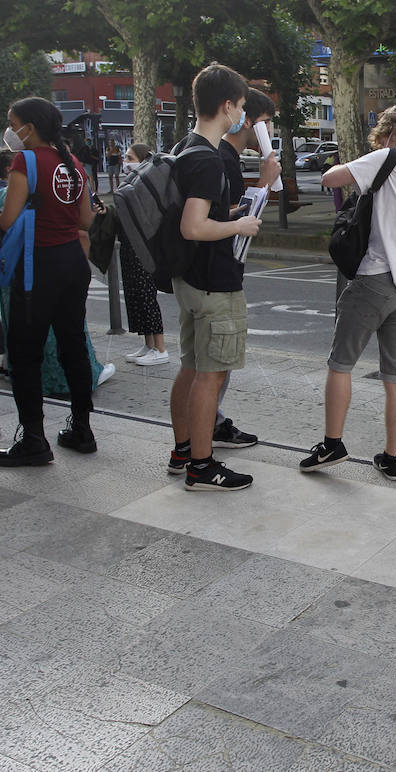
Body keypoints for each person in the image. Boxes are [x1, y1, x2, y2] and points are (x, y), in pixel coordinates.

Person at [300, 104, 396, 480]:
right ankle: (391, 456)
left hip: (374, 278)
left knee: (340, 364)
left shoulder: (390, 157)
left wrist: (371, 157)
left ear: (391, 134)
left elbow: (330, 178)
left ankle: (332, 444)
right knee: (393, 375)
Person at [166, 64, 263, 491]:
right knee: (211, 375)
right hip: (214, 284)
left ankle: (182, 451)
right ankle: (202, 467)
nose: (242, 115)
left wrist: (229, 214)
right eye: (241, 107)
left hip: (189, 280)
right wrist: (237, 227)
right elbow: (193, 227)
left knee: (191, 367)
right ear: (227, 106)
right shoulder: (208, 159)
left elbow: (198, 216)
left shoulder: (185, 146)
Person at [0, 98, 98, 466]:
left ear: (29, 127)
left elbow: (7, 220)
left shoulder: (25, 161)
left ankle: (34, 439)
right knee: (74, 347)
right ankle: (81, 429)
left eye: (13, 123)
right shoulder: (73, 165)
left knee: (25, 353)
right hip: (72, 261)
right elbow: (85, 220)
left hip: (37, 266)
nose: (11, 131)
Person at [204, 83, 280, 449]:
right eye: (264, 124)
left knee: (200, 368)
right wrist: (264, 185)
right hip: (218, 276)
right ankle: (198, 446)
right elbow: (228, 227)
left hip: (206, 274)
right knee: (214, 367)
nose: (266, 134)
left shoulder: (220, 156)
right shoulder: (222, 160)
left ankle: (196, 438)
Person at [116, 144, 169, 366]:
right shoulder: (129, 183)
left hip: (143, 247)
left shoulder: (145, 186)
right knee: (135, 295)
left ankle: (160, 347)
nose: (126, 161)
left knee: (147, 296)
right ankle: (148, 343)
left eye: (130, 157)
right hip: (128, 244)